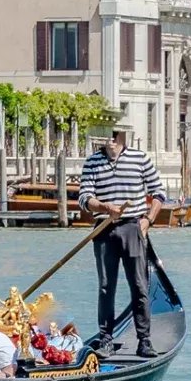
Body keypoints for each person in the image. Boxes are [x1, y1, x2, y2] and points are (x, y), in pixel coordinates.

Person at [76, 125, 167, 357]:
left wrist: (147, 220)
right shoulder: (92, 162)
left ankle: (144, 341)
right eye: (108, 134)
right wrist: (105, 207)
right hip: (104, 229)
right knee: (106, 287)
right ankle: (106, 340)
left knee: (139, 286)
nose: (112, 140)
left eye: (116, 135)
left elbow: (158, 192)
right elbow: (85, 198)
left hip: (133, 228)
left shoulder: (139, 159)